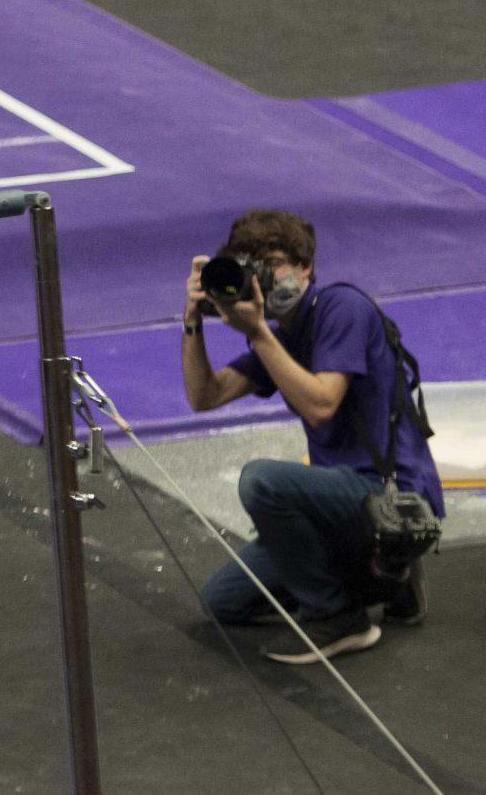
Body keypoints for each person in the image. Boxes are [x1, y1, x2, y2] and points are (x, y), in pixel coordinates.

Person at [181, 209, 442, 663]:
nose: (263, 277)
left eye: (274, 263)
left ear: (306, 268)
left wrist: (259, 332)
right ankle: (386, 579)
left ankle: (338, 616)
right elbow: (205, 395)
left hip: (389, 495)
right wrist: (192, 321)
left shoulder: (343, 308)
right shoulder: (285, 335)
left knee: (262, 481)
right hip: (339, 503)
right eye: (252, 267)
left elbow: (321, 405)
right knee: (223, 599)